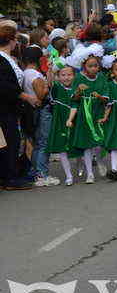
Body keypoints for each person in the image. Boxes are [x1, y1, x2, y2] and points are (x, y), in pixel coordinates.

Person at [0, 25, 39, 190]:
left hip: (11, 107)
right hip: (5, 108)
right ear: (11, 40)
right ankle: (9, 178)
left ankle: (10, 174)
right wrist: (26, 96)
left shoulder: (8, 58)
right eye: (15, 39)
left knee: (13, 140)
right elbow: (5, 86)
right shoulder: (1, 59)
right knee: (10, 141)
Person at [69, 44, 109, 184]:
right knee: (86, 144)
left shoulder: (102, 78)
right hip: (84, 114)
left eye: (96, 66)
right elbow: (73, 98)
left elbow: (106, 98)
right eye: (90, 66)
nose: (93, 68)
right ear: (84, 66)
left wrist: (98, 96)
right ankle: (90, 173)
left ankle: (99, 160)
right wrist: (79, 91)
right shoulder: (79, 78)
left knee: (98, 142)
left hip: (97, 112)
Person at [22, 47, 58, 186]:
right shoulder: (35, 75)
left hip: (32, 111)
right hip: (42, 110)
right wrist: (45, 88)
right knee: (43, 143)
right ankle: (42, 174)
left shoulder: (25, 73)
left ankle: (36, 172)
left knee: (36, 143)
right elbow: (41, 95)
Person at [47, 64, 79, 186]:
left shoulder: (77, 89)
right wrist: (50, 70)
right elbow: (49, 84)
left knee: (77, 147)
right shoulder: (57, 88)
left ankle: (82, 167)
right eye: (63, 75)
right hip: (60, 122)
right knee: (62, 149)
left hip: (75, 121)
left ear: (74, 76)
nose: (66, 78)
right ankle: (69, 175)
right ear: (58, 77)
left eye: (69, 75)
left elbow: (76, 104)